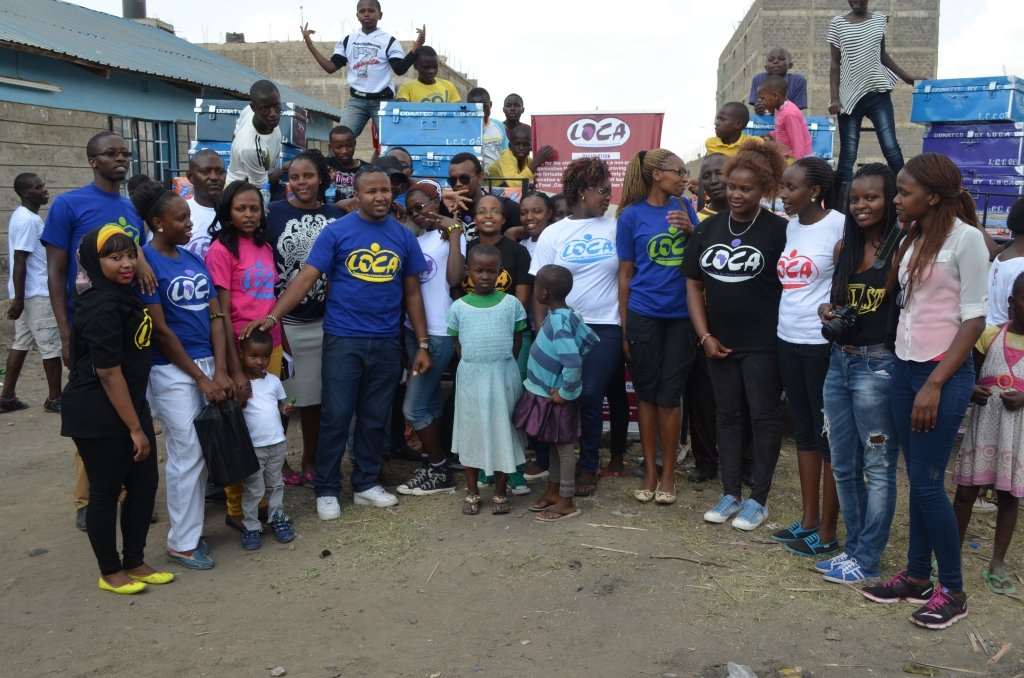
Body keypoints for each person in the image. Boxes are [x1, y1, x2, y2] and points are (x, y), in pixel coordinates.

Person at [243, 169, 431, 520]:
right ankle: (327, 488)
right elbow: (306, 278)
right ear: (357, 195)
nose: (380, 197)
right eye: (371, 191)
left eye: (385, 190)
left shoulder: (403, 237)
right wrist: (273, 316)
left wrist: (422, 343)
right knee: (336, 415)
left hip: (386, 341)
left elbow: (412, 294)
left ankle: (366, 484)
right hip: (344, 338)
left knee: (375, 417)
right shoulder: (337, 232)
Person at [861, 153, 989, 631]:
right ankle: (916, 577)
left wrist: (935, 384)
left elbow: (974, 319)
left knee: (930, 482)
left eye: (904, 192)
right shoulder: (913, 236)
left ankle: (953, 591)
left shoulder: (967, 239)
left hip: (942, 374)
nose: (896, 199)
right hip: (905, 368)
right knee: (918, 478)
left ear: (933, 196)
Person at [42, 130, 153, 532]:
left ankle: (125, 491)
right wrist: (65, 331)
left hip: (127, 322)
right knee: (97, 411)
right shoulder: (68, 205)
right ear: (93, 161)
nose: (120, 159)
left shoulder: (131, 208)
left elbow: (135, 259)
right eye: (110, 153)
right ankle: (89, 499)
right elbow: (56, 271)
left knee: (128, 405)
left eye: (125, 153)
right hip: (89, 323)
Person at [683, 140, 789, 531]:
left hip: (763, 343)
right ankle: (730, 493)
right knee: (726, 416)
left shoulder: (779, 231)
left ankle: (758, 500)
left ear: (764, 189)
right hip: (718, 342)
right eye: (732, 187)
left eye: (746, 188)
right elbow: (693, 283)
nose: (736, 194)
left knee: (763, 419)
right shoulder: (708, 228)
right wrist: (704, 335)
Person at [60, 225, 169, 594]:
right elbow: (108, 373)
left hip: (129, 405)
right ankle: (110, 572)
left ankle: (135, 561)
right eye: (114, 257)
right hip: (97, 412)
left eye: (130, 255)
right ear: (95, 262)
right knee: (106, 491)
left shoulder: (123, 295)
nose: (126, 264)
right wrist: (135, 428)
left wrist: (137, 419)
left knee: (144, 485)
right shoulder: (100, 306)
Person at [816, 163, 902, 584]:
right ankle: (854, 551)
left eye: (871, 197)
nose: (861, 206)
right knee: (843, 464)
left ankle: (867, 559)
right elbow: (838, 301)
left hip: (878, 366)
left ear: (891, 200)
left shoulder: (904, 249)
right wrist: (827, 309)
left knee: (878, 466)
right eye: (854, 199)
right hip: (840, 361)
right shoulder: (844, 249)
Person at [529, 158, 620, 497]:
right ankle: (554, 462)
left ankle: (588, 464)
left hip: (605, 325)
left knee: (590, 392)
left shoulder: (615, 227)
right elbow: (540, 285)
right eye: (602, 190)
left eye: (609, 190)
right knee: (555, 394)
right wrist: (542, 328)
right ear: (582, 191)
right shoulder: (554, 233)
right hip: (561, 327)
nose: (608, 197)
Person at [771, 157, 846, 555]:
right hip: (787, 338)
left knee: (826, 433)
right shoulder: (792, 227)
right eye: (783, 186)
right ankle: (808, 521)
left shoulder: (839, 225)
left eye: (791, 187)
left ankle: (828, 530)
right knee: (803, 429)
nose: (783, 194)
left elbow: (846, 284)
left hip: (821, 345)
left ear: (814, 191)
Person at [615, 149, 698, 505]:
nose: (684, 177)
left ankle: (668, 474)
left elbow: (701, 258)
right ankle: (649, 471)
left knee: (670, 396)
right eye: (678, 171)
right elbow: (625, 274)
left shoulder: (685, 207)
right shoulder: (631, 216)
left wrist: (693, 231)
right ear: (656, 175)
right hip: (643, 315)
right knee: (647, 396)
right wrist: (624, 326)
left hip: (682, 317)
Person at [204, 181, 282, 530]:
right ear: (227, 212)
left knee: (265, 425)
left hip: (271, 347)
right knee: (240, 433)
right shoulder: (221, 250)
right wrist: (234, 368)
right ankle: (236, 508)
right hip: (240, 350)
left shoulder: (265, 245)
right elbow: (219, 311)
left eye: (254, 208)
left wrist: (284, 347)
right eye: (241, 209)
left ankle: (260, 500)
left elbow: (270, 299)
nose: (249, 215)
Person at [266, 150, 344, 486]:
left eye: (308, 176)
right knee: (282, 397)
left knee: (315, 399)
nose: (301, 183)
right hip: (284, 322)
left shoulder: (336, 216)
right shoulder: (272, 213)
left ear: (321, 178)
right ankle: (278, 462)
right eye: (294, 177)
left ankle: (310, 459)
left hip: (324, 321)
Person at [952, 272, 1024, 596]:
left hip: (1016, 434)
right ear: (1011, 302)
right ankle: (951, 552)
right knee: (966, 493)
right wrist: (972, 390)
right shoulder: (989, 335)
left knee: (1009, 498)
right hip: (983, 427)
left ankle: (997, 562)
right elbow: (968, 374)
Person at [395, 180, 465, 497]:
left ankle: (439, 470)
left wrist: (455, 233)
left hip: (438, 333)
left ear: (436, 203)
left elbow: (454, 278)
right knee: (431, 400)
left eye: (421, 207)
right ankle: (430, 463)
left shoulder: (452, 234)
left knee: (413, 408)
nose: (417, 214)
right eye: (412, 210)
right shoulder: (416, 239)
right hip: (414, 330)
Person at [448, 244, 528, 516]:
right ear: (468, 271)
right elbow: (457, 344)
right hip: (471, 378)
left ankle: (500, 491)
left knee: (503, 429)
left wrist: (502, 366)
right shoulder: (459, 307)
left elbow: (517, 340)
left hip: (503, 376)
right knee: (471, 431)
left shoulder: (511, 304)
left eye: (491, 271)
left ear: (499, 273)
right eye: (479, 270)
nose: (485, 276)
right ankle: (472, 491)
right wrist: (475, 364)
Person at [516, 264, 599, 521]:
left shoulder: (560, 321)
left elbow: (572, 361)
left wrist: (565, 393)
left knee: (563, 446)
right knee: (552, 441)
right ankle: (553, 490)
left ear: (542, 292)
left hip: (558, 396)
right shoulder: (562, 314)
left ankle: (566, 500)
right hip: (548, 393)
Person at [828, 0, 926, 185]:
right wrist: (834, 98)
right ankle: (842, 199)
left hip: (877, 93)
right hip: (849, 97)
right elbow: (835, 63)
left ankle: (905, 191)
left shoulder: (879, 20)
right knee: (848, 153)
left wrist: (907, 78)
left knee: (890, 147)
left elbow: (882, 55)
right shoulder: (838, 23)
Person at [300, 0, 424, 138]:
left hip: (383, 101)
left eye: (371, 11)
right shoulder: (349, 40)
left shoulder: (389, 41)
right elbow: (330, 67)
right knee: (341, 138)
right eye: (362, 11)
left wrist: (416, 49)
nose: (366, 14)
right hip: (357, 101)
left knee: (391, 140)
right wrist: (310, 46)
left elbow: (400, 69)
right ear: (357, 15)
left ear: (380, 15)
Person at [2, 173, 62, 414]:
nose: (45, 190)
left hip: (28, 293)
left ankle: (7, 396)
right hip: (37, 293)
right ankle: (55, 399)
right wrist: (18, 298)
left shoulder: (24, 216)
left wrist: (19, 296)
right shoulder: (28, 220)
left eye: (44, 185)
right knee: (51, 346)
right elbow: (20, 258)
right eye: (39, 187)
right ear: (25, 193)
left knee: (21, 342)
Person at [237, 330, 296, 550]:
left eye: (265, 356)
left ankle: (278, 517)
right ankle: (251, 525)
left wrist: (285, 409)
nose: (260, 361)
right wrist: (239, 398)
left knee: (275, 484)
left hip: (276, 443)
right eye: (254, 356)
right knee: (253, 488)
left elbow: (280, 405)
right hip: (254, 447)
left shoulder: (273, 381)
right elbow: (235, 412)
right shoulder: (241, 384)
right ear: (242, 354)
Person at [445, 152, 521, 235]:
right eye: (452, 180)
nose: (458, 184)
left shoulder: (505, 207)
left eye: (464, 178)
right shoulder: (446, 206)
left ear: (480, 178)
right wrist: (442, 194)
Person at [227, 80, 283, 188]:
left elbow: (235, 134)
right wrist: (281, 171)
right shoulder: (250, 148)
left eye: (276, 106)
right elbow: (259, 187)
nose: (273, 114)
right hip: (242, 191)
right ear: (253, 108)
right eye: (265, 109)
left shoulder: (248, 111)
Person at [986, 199, 1024, 325]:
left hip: (991, 331)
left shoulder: (1002, 257)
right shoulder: (1021, 266)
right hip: (1007, 334)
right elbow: (1015, 316)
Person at [757, 75, 812, 162]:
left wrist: (798, 165)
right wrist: (770, 134)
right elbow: (783, 130)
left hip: (796, 158)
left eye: (762, 98)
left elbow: (798, 142)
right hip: (787, 155)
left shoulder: (789, 114)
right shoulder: (778, 109)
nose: (759, 101)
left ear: (775, 96)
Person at [183, 150, 227, 258]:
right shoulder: (176, 213)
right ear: (190, 176)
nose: (214, 177)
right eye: (205, 172)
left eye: (220, 172)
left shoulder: (237, 213)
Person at [485, 125, 554, 188]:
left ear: (531, 147)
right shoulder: (505, 157)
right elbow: (514, 184)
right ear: (510, 146)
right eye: (517, 144)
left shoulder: (529, 160)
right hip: (486, 191)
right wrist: (536, 161)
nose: (521, 148)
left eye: (525, 144)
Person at [749, 47, 809, 113]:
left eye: (781, 59)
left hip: (788, 117)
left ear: (790, 65)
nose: (775, 61)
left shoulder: (798, 81)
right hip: (764, 118)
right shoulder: (758, 79)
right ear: (766, 67)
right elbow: (757, 103)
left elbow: (797, 108)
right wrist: (758, 107)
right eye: (771, 60)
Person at [395, 46, 460, 103]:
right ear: (415, 66)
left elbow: (457, 111)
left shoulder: (449, 86)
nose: (431, 71)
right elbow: (401, 109)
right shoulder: (406, 88)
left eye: (435, 67)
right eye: (426, 67)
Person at [467, 87, 508, 170]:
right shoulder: (464, 128)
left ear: (491, 105)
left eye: (484, 106)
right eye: (476, 107)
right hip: (472, 176)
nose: (481, 111)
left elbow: (506, 152)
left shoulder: (499, 126)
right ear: (468, 106)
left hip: (497, 176)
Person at [325, 125, 365, 206]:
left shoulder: (366, 169)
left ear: (354, 144)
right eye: (338, 147)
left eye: (349, 146)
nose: (344, 151)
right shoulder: (325, 165)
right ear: (330, 147)